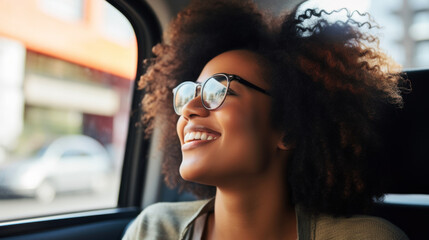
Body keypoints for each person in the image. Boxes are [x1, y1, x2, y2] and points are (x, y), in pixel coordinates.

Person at [123, 0, 410, 239]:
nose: (189, 109)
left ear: (287, 129)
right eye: (190, 93)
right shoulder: (153, 230)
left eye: (219, 90)